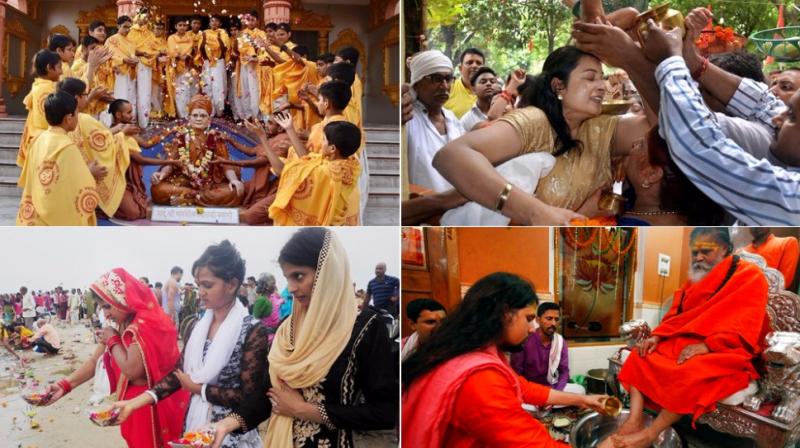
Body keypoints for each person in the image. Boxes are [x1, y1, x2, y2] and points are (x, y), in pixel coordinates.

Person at [206, 228, 397, 448]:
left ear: (328, 272)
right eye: (287, 278)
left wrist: (306, 411)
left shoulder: (364, 326)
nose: (292, 288)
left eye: (299, 276)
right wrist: (226, 424)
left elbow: (384, 411)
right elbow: (267, 394)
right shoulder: (287, 328)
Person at [432, 46, 651, 225]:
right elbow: (450, 157)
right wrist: (534, 212)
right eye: (590, 78)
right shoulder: (535, 121)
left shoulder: (601, 129)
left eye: (602, 78)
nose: (602, 86)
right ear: (559, 86)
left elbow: (664, 128)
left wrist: (632, 57)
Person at [608, 228, 770, 448]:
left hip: (725, 347)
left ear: (724, 248)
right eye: (695, 252)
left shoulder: (750, 276)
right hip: (681, 339)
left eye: (706, 250)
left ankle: (652, 433)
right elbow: (677, 314)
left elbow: (746, 325)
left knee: (688, 372)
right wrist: (656, 337)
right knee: (640, 355)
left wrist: (708, 345)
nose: (699, 257)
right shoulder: (695, 277)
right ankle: (635, 420)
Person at [403, 272, 606, 447]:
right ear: (502, 315)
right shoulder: (480, 377)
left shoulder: (469, 351)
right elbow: (533, 444)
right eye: (528, 318)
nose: (532, 328)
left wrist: (583, 399)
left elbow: (522, 387)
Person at [113, 241, 271, 448]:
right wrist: (133, 404)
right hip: (195, 428)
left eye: (207, 285)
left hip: (230, 434)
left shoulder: (252, 330)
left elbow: (250, 397)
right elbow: (178, 376)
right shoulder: (198, 327)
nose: (201, 292)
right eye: (199, 286)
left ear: (231, 284)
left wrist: (199, 389)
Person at [40, 269, 189, 448]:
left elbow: (132, 371)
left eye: (107, 306)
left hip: (148, 407)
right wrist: (65, 386)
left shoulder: (144, 324)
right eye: (102, 307)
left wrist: (113, 340)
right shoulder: (119, 324)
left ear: (122, 299)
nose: (106, 314)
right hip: (128, 405)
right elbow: (94, 361)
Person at [246, 113, 362, 226]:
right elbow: (307, 159)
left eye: (324, 140)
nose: (321, 143)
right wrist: (290, 128)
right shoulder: (349, 165)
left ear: (332, 148)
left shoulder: (323, 173)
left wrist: (262, 137)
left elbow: (282, 171)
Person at [17, 91, 100, 226]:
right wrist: (90, 172)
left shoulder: (37, 140)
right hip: (57, 219)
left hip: (37, 213)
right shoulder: (68, 147)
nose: (78, 117)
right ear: (68, 118)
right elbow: (78, 186)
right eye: (76, 113)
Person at [150, 94, 245, 206]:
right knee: (157, 189)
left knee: (234, 192)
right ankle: (195, 196)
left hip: (210, 184)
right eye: (195, 115)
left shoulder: (216, 138)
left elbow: (225, 165)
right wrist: (161, 175)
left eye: (202, 116)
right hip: (183, 181)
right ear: (189, 118)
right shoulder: (180, 137)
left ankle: (188, 197)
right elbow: (170, 163)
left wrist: (233, 180)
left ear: (209, 120)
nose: (198, 119)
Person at [619, 126, 725, 225]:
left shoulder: (630, 231)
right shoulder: (682, 212)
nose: (634, 142)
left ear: (652, 174)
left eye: (640, 145)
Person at [405, 50, 465, 192]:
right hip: (422, 209)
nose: (444, 86)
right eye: (436, 79)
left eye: (448, 78)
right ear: (417, 83)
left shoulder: (453, 120)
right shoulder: (408, 119)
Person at [511, 302, 585, 394]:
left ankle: (548, 405)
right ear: (538, 320)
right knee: (517, 400)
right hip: (530, 389)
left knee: (580, 390)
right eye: (549, 318)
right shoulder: (525, 340)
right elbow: (516, 373)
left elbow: (564, 371)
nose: (553, 323)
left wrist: (556, 393)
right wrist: (536, 395)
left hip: (552, 387)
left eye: (556, 319)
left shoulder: (560, 342)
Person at [17, 49, 61, 167]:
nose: (61, 72)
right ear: (49, 68)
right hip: (43, 142)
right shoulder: (46, 89)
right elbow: (45, 122)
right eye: (59, 67)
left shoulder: (39, 86)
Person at [105, 16, 139, 112]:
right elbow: (109, 55)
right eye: (125, 27)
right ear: (118, 26)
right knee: (120, 96)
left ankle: (129, 118)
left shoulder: (131, 41)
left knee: (131, 96)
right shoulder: (111, 40)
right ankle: (118, 119)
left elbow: (133, 55)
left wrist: (135, 61)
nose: (127, 30)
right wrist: (123, 60)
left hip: (131, 72)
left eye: (129, 27)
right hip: (118, 72)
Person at [165, 18, 197, 118]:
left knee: (188, 91)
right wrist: (178, 56)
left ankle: (187, 114)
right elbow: (171, 51)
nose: (182, 27)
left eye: (184, 25)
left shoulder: (190, 38)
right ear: (176, 27)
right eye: (180, 25)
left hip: (187, 67)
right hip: (175, 69)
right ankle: (181, 115)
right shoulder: (171, 38)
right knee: (179, 92)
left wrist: (187, 56)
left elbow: (192, 51)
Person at [200, 15, 230, 116]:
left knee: (219, 87)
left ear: (220, 24)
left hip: (218, 62)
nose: (214, 23)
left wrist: (219, 39)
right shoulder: (204, 33)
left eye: (217, 21)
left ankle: (219, 112)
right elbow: (201, 50)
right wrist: (204, 39)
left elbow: (224, 49)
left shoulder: (223, 33)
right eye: (212, 21)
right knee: (207, 86)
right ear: (209, 23)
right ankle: (210, 112)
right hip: (207, 62)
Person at [444, 48, 485, 118]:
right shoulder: (448, 88)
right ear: (460, 68)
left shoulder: (490, 92)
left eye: (478, 63)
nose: (474, 66)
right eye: (469, 62)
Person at [460, 67, 499, 132]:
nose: (489, 84)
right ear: (473, 89)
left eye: (492, 81)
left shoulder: (506, 112)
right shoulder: (465, 121)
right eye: (483, 82)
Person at [252, 273, 282, 346]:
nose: (275, 286)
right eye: (273, 283)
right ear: (266, 286)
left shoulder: (271, 298)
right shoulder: (261, 300)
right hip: (266, 340)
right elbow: (254, 320)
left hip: (276, 337)